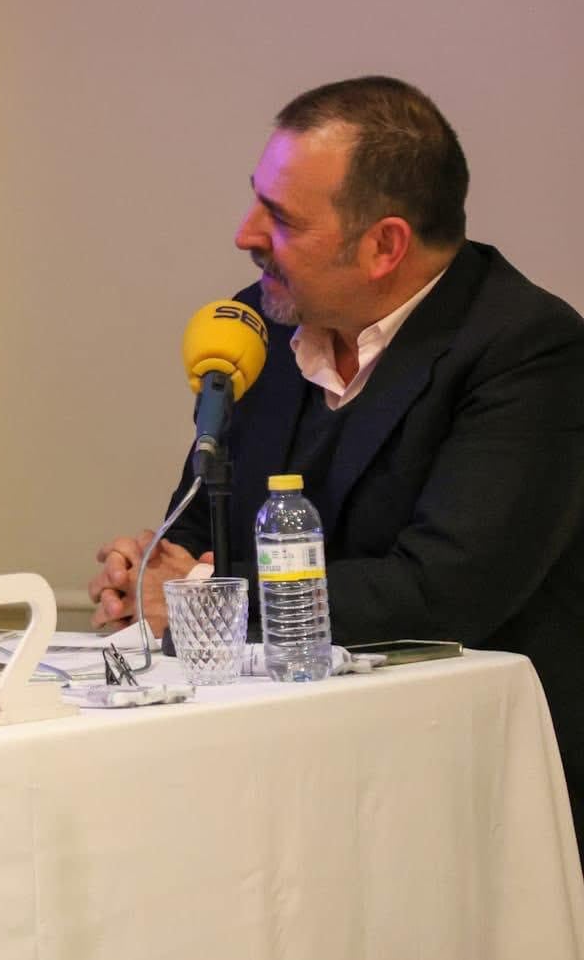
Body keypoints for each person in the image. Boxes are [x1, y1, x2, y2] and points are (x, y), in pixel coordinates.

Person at [88, 75, 584, 845]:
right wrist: (153, 573)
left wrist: (198, 602)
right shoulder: (254, 327)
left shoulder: (526, 350)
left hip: (469, 786)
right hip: (280, 771)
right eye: (257, 198)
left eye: (280, 217)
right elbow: (204, 539)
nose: (245, 233)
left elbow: (446, 590)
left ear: (385, 244)